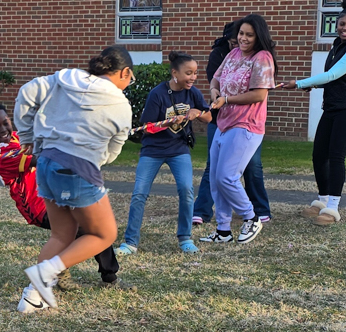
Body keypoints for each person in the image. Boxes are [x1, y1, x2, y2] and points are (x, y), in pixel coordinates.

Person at [12, 46, 134, 313]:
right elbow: (112, 152)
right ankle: (45, 272)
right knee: (104, 234)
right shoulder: (121, 105)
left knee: (62, 234)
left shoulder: (63, 79)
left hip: (45, 162)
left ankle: (32, 296)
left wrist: (27, 136)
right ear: (124, 73)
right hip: (77, 169)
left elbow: (26, 93)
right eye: (130, 78)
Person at [0, 102, 120, 286]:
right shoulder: (0, 154)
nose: (3, 129)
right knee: (81, 228)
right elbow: (40, 159)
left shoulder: (17, 137)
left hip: (54, 194)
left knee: (94, 222)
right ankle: (63, 269)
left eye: (5, 123)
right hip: (36, 206)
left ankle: (106, 275)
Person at [115, 53, 211, 255]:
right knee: (139, 193)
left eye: (195, 73)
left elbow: (209, 116)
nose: (193, 77)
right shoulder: (157, 94)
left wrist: (197, 113)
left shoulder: (193, 93)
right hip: (153, 150)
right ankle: (130, 242)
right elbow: (148, 127)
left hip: (179, 150)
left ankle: (185, 238)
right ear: (175, 73)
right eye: (188, 73)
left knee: (186, 190)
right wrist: (169, 123)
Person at [202, 15, 276, 246]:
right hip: (224, 123)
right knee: (216, 178)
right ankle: (223, 230)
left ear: (258, 37)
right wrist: (214, 92)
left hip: (246, 125)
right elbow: (215, 79)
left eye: (249, 35)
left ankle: (251, 218)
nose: (243, 38)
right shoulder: (233, 54)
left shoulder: (262, 58)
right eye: (241, 33)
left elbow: (259, 94)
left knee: (227, 177)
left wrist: (227, 99)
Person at [296, 0, 346, 223]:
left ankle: (333, 208)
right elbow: (335, 78)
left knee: (336, 156)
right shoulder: (336, 46)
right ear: (336, 24)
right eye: (342, 24)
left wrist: (300, 83)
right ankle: (323, 200)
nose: (345, 28)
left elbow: (333, 75)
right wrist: (314, 85)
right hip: (332, 106)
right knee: (319, 154)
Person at [192, 17, 243, 227]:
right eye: (234, 42)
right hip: (220, 116)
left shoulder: (257, 57)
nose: (238, 45)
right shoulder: (221, 55)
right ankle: (202, 210)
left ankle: (257, 209)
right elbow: (215, 80)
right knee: (213, 164)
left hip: (244, 120)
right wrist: (215, 90)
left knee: (250, 166)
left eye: (244, 38)